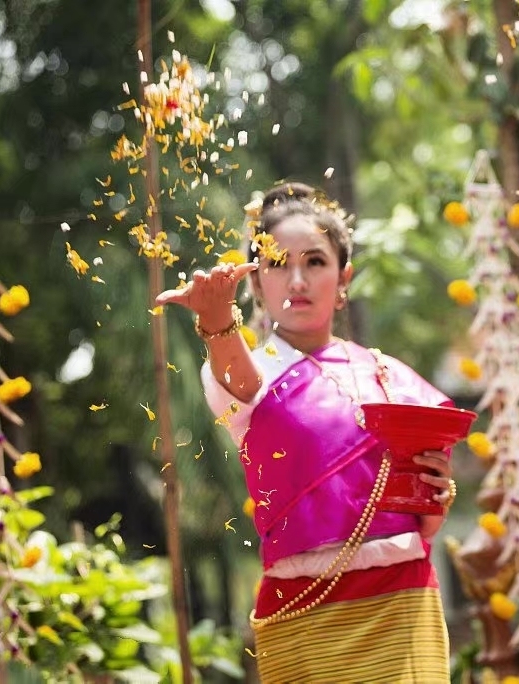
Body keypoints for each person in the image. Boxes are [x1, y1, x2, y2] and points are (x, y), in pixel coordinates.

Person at [157, 182, 455, 683]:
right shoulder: (249, 371)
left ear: (344, 279)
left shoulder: (387, 375)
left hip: (402, 598)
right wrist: (216, 321)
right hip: (303, 610)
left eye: (315, 261)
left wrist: (439, 493)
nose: (297, 280)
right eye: (277, 263)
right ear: (256, 283)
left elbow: (423, 504)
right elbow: (241, 382)